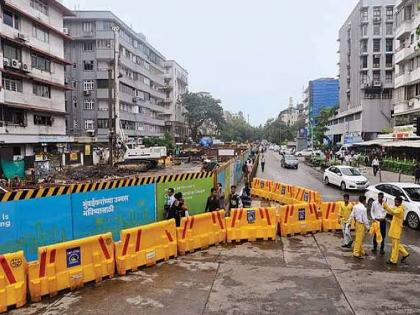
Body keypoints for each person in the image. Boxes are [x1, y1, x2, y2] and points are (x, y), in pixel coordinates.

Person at [384, 196, 410, 265]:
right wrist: (386, 206)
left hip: (396, 230)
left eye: (396, 202)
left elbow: (392, 211)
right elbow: (391, 209)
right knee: (396, 245)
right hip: (394, 229)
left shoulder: (400, 210)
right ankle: (405, 253)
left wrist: (386, 206)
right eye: (395, 201)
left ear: (400, 202)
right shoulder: (398, 207)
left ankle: (393, 260)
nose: (395, 203)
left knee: (395, 247)